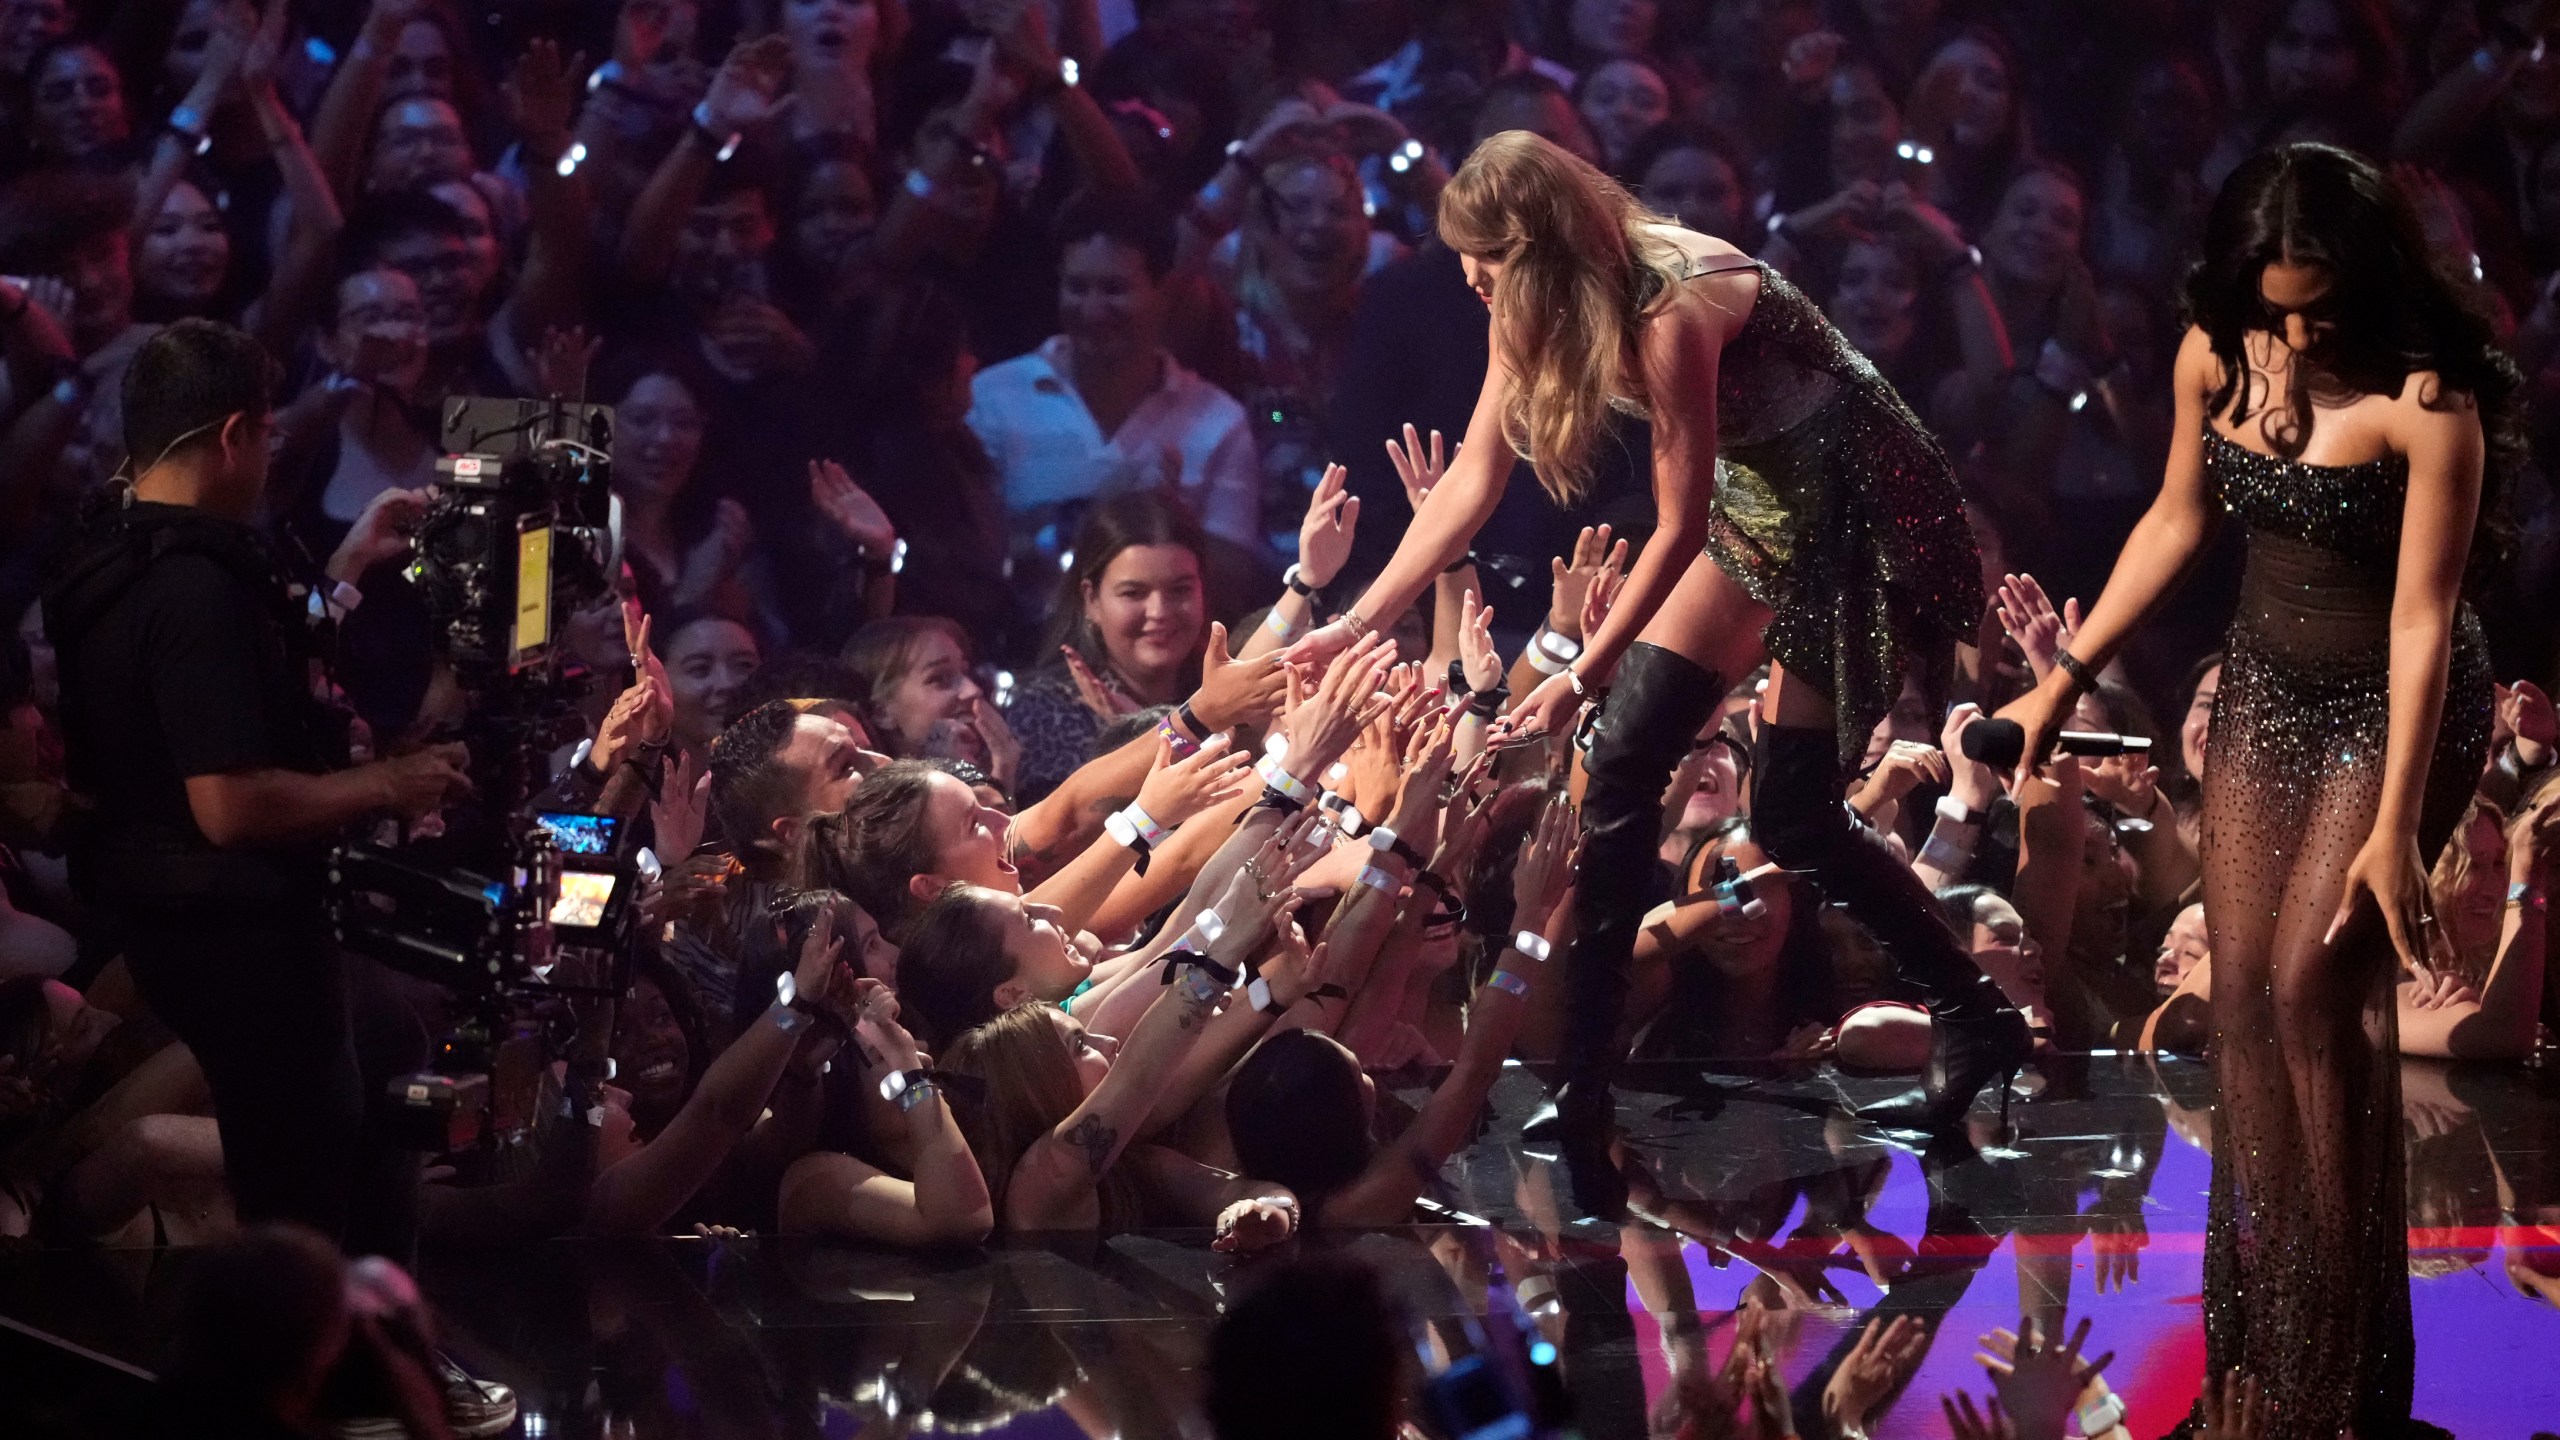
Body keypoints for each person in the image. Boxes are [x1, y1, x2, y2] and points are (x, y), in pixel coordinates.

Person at [1284, 131, 1997, 1217]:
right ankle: (1584, 1089)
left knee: (1793, 811)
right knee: (1618, 764)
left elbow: (1671, 526)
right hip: (1767, 505)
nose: (1469, 283)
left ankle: (1971, 1008)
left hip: (1859, 511)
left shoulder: (1674, 298)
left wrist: (1582, 669)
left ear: (1533, 248)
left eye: (1484, 262)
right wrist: (1355, 618)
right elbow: (1473, 478)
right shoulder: (1536, 312)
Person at [1994, 143, 2508, 1438]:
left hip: (2397, 708)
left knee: (2307, 989)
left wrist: (2395, 830)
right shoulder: (2214, 354)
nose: (2292, 330)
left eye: (2317, 308)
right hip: (2270, 690)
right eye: (2273, 302)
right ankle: (2262, 1352)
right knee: (2241, 1001)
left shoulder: (2427, 401)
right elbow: (2174, 519)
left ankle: (2342, 1376)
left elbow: (2422, 624)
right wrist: (2064, 675)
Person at [40, 319, 470, 1254]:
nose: (272, 455)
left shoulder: (111, 549)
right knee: (300, 1188)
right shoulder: (193, 585)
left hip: (173, 917)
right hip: (234, 931)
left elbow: (231, 682)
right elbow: (229, 805)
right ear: (236, 434)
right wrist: (387, 784)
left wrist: (347, 568)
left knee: (385, 1046)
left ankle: (356, 1343)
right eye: (270, 436)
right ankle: (313, 1371)